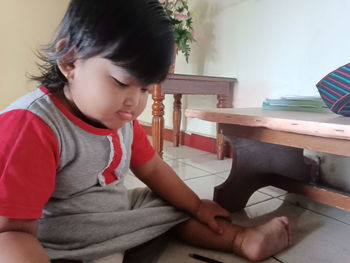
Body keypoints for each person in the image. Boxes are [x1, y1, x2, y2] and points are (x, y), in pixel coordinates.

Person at [0, 0, 291, 262]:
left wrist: (196, 205)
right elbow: (13, 232)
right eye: (122, 83)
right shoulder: (33, 125)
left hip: (114, 213)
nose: (135, 102)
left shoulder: (119, 117)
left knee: (169, 201)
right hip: (61, 235)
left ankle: (239, 239)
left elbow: (151, 167)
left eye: (145, 88)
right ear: (70, 62)